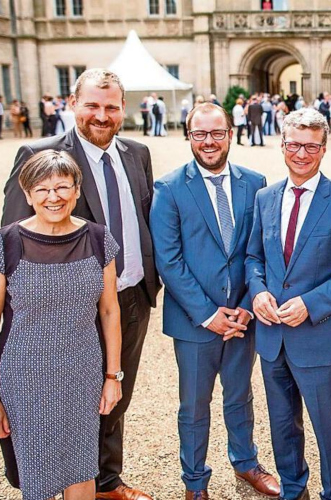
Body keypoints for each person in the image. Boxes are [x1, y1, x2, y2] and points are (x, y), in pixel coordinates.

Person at [2, 68, 160, 500]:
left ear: (122, 109)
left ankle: (106, 480)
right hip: (63, 301)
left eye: (110, 106)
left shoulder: (137, 152)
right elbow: (16, 233)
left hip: (129, 293)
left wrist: (148, 281)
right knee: (55, 397)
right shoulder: (42, 155)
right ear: (73, 104)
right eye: (91, 104)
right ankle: (55, 477)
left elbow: (142, 218)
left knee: (113, 390)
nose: (101, 114)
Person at [150, 103, 280, 500]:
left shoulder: (254, 182)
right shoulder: (169, 189)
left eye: (217, 133)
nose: (209, 142)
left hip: (243, 317)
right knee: (194, 406)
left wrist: (245, 305)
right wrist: (209, 315)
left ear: (231, 134)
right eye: (200, 134)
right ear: (188, 136)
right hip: (194, 323)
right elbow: (168, 261)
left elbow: (259, 250)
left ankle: (245, 463)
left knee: (240, 396)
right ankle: (195, 482)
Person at [245, 108, 331, 500]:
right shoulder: (264, 197)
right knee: (282, 425)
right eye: (295, 145)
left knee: (327, 429)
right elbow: (253, 258)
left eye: (311, 146)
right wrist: (258, 291)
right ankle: (293, 489)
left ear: (324, 148)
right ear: (283, 145)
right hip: (271, 338)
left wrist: (312, 303)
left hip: (317, 339)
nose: (302, 154)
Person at [0, 149, 122, 500]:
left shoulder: (99, 239)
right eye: (42, 189)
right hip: (23, 378)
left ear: (77, 190)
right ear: (27, 194)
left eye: (62, 187)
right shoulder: (8, 241)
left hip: (81, 372)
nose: (53, 197)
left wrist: (113, 376)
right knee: (36, 474)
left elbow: (110, 311)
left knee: (81, 468)